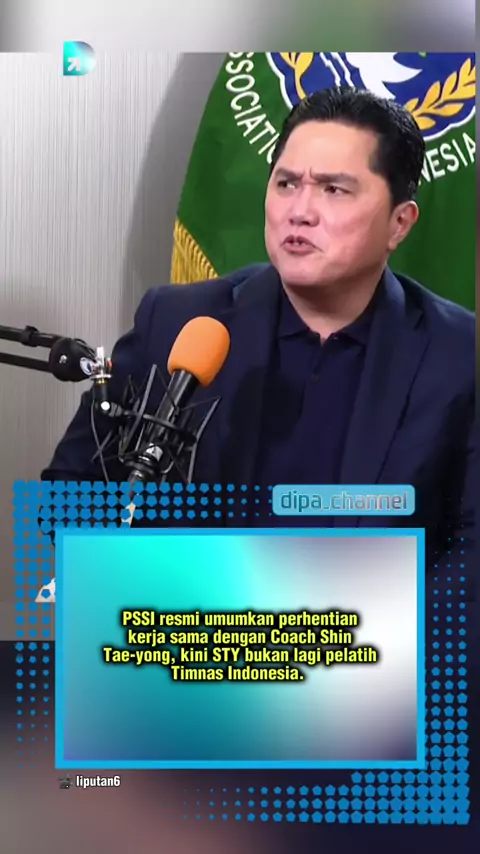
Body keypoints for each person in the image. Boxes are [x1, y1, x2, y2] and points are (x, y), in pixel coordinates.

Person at [41, 86, 475, 577]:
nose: (300, 210)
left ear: (400, 223)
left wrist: (372, 622)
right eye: (286, 183)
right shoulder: (178, 324)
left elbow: (471, 549)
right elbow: (68, 498)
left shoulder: (458, 355)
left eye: (333, 190)